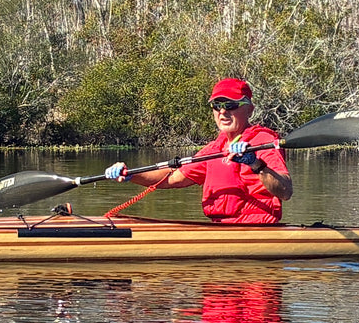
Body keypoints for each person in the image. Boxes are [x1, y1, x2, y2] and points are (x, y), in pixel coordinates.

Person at [103, 78, 293, 224]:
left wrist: (255, 164)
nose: (222, 112)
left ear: (250, 109)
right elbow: (172, 178)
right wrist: (130, 174)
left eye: (230, 106)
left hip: (256, 230)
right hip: (220, 228)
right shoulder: (214, 149)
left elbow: (285, 191)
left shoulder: (263, 141)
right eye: (217, 106)